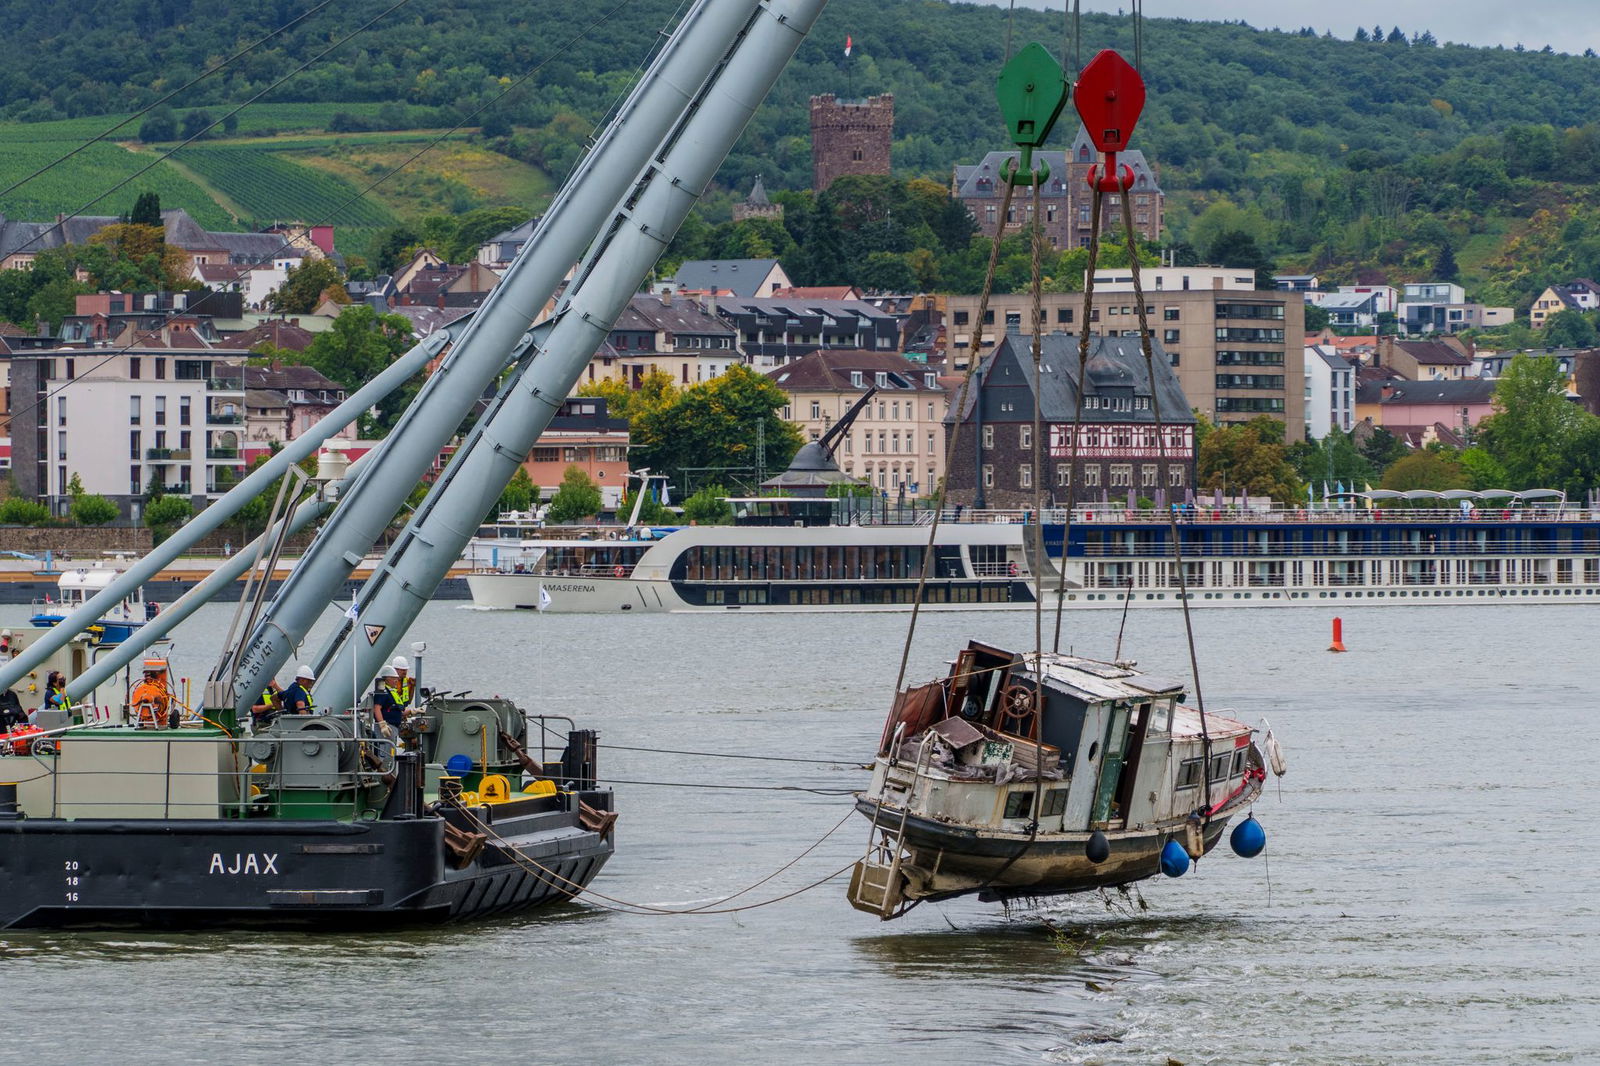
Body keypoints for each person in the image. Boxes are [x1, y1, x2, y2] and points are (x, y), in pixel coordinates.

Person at [129, 658, 174, 729]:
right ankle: (146, 720)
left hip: (156, 705)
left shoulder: (157, 691)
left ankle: (155, 721)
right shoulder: (144, 691)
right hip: (152, 705)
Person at [371, 665, 403, 730]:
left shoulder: (391, 692)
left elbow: (395, 710)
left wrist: (412, 711)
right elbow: (377, 708)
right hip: (387, 727)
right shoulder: (382, 692)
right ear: (387, 679)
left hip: (393, 726)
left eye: (397, 678)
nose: (396, 681)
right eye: (394, 678)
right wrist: (382, 725)